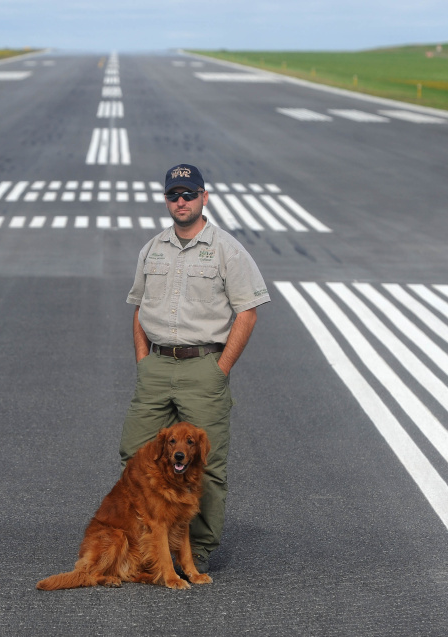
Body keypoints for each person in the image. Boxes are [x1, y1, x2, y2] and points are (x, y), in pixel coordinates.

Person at [120, 163, 270, 573]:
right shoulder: (152, 248)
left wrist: (219, 369)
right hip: (156, 367)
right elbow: (139, 307)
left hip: (203, 368)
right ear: (166, 200)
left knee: (207, 465)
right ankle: (145, 548)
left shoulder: (227, 249)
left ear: (204, 197)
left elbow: (248, 312)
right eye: (174, 195)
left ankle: (194, 556)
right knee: (135, 455)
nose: (181, 201)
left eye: (188, 194)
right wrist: (142, 360)